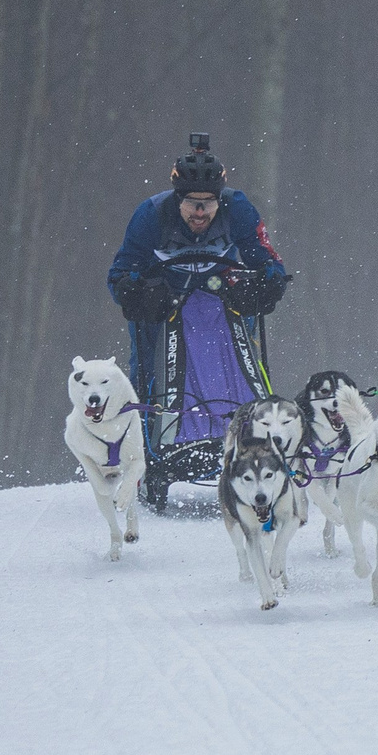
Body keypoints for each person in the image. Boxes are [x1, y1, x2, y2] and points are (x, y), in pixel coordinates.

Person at [108, 134, 290, 501]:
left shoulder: (238, 209)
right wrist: (135, 291)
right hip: (164, 310)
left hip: (223, 302)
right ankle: (147, 453)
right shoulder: (150, 215)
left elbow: (267, 259)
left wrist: (268, 283)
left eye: (209, 204)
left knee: (239, 361)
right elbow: (121, 272)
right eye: (193, 204)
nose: (201, 213)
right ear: (178, 199)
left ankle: (250, 437)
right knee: (146, 368)